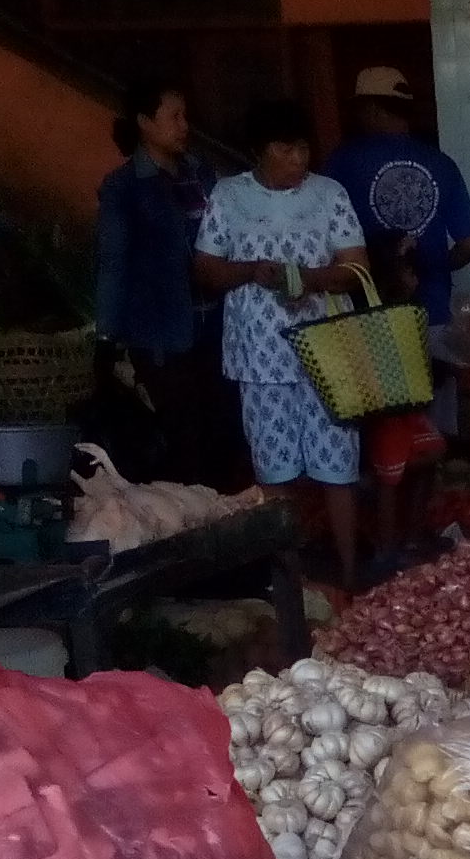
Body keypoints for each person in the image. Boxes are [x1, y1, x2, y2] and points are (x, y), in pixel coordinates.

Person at [193, 98, 371, 587]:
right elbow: (206, 269)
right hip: (259, 357)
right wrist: (251, 270)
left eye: (303, 149)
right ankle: (289, 579)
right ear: (258, 150)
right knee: (274, 470)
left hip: (327, 352)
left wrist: (308, 280)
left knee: (339, 465)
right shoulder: (229, 197)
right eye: (285, 149)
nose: (297, 159)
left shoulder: (329, 195)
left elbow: (356, 268)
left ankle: (349, 575)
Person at [323, 68, 470, 436]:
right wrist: (430, 269)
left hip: (367, 316)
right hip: (434, 313)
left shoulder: (342, 163)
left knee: (380, 429)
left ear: (374, 109)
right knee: (435, 432)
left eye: (361, 109)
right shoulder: (441, 163)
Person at [95, 80, 234, 485]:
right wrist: (107, 337)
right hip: (162, 334)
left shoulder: (201, 174)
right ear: (144, 123)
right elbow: (112, 264)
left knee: (222, 435)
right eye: (173, 117)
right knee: (184, 438)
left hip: (216, 328)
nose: (184, 125)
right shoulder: (123, 188)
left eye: (185, 116)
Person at [363, 235, 449, 576]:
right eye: (407, 269)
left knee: (426, 458)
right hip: (389, 414)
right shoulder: (379, 317)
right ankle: (386, 550)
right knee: (390, 479)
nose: (414, 278)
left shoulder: (409, 313)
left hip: (408, 411)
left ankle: (409, 538)